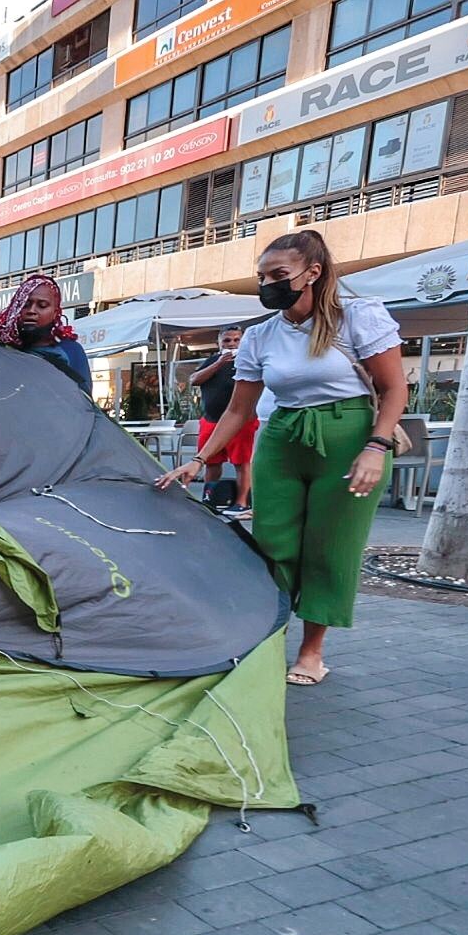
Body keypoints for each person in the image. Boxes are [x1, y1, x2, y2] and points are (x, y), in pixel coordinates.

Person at [156, 229, 406, 688]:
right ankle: (269, 636)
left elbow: (394, 390)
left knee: (330, 547)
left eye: (279, 275)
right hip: (282, 437)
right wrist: (200, 459)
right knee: (274, 545)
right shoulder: (259, 336)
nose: (267, 283)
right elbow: (238, 409)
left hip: (349, 438)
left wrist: (376, 446)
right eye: (262, 275)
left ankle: (312, 651)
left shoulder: (357, 319)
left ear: (312, 273)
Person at [188, 326, 258, 517]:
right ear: (219, 343)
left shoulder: (249, 362)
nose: (232, 344)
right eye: (227, 341)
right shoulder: (212, 361)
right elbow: (194, 379)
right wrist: (219, 363)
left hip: (242, 420)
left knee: (242, 462)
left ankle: (242, 503)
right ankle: (210, 499)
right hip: (211, 420)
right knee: (210, 462)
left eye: (236, 340)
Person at [0, 274, 91, 392]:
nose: (31, 311)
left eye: (42, 305)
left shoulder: (70, 350)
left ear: (55, 313)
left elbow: (83, 403)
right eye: (25, 305)